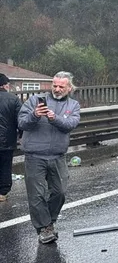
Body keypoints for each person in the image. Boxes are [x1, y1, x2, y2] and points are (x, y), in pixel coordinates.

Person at [18, 71, 81, 244]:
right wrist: (35, 115)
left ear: (69, 88)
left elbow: (70, 125)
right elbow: (21, 123)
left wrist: (55, 118)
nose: (57, 89)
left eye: (61, 86)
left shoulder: (73, 105)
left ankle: (50, 221)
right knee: (37, 195)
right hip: (34, 155)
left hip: (58, 156)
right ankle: (44, 228)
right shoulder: (33, 101)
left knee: (59, 192)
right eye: (55, 85)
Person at [0, 73, 23, 203]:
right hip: (7, 140)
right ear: (4, 85)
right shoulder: (13, 99)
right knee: (5, 165)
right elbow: (20, 120)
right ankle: (2, 192)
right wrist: (21, 135)